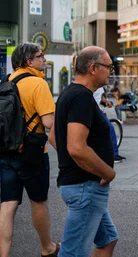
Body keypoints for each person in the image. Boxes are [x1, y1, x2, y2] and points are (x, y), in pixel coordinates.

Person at [53, 46, 119, 256]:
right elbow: (76, 147)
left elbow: (55, 137)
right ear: (93, 68)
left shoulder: (70, 93)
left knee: (108, 239)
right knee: (73, 252)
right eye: (109, 67)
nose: (111, 71)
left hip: (80, 185)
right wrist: (107, 172)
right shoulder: (81, 97)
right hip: (86, 187)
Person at [0, 43, 60, 257]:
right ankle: (47, 247)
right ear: (29, 61)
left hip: (6, 151)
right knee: (38, 201)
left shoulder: (5, 81)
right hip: (33, 153)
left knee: (7, 204)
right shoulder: (38, 83)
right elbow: (48, 121)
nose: (43, 59)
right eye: (40, 56)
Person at [93, 87, 126, 163]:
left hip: (98, 110)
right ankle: (113, 155)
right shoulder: (92, 83)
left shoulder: (99, 86)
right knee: (109, 128)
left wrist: (106, 102)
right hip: (95, 111)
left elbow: (100, 97)